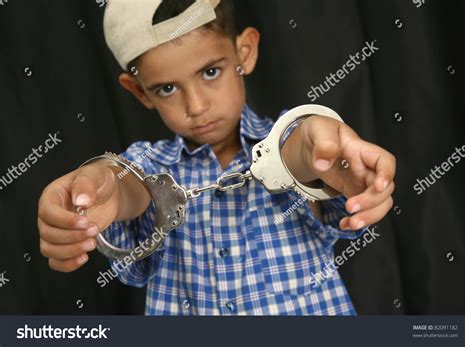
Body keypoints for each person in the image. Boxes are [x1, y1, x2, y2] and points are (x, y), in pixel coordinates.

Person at [37, 0, 396, 315]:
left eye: (210, 72)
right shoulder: (151, 164)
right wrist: (98, 188)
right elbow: (128, 185)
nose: (196, 106)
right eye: (167, 88)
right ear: (139, 91)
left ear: (245, 52)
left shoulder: (287, 144)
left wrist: (320, 145)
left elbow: (298, 148)